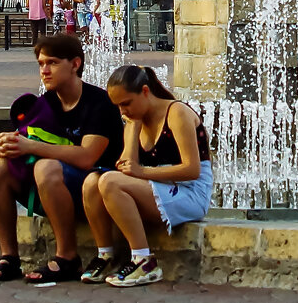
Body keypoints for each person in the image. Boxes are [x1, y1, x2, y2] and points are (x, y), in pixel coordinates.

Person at [0, 34, 124, 284]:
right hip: (52, 189)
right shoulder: (44, 103)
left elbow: (87, 157)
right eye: (41, 64)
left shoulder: (99, 102)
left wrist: (31, 146)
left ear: (75, 64)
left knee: (46, 167)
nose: (44, 71)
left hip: (95, 191)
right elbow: (25, 139)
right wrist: (8, 145)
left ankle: (67, 257)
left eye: (53, 63)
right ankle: (9, 256)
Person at [83, 65, 213, 287]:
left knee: (109, 181)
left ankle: (144, 261)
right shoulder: (134, 120)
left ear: (145, 91)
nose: (123, 112)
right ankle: (105, 254)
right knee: (91, 183)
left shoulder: (177, 113)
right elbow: (126, 165)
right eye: (118, 107)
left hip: (191, 192)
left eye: (126, 104)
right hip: (159, 187)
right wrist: (132, 130)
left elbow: (192, 170)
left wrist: (141, 172)